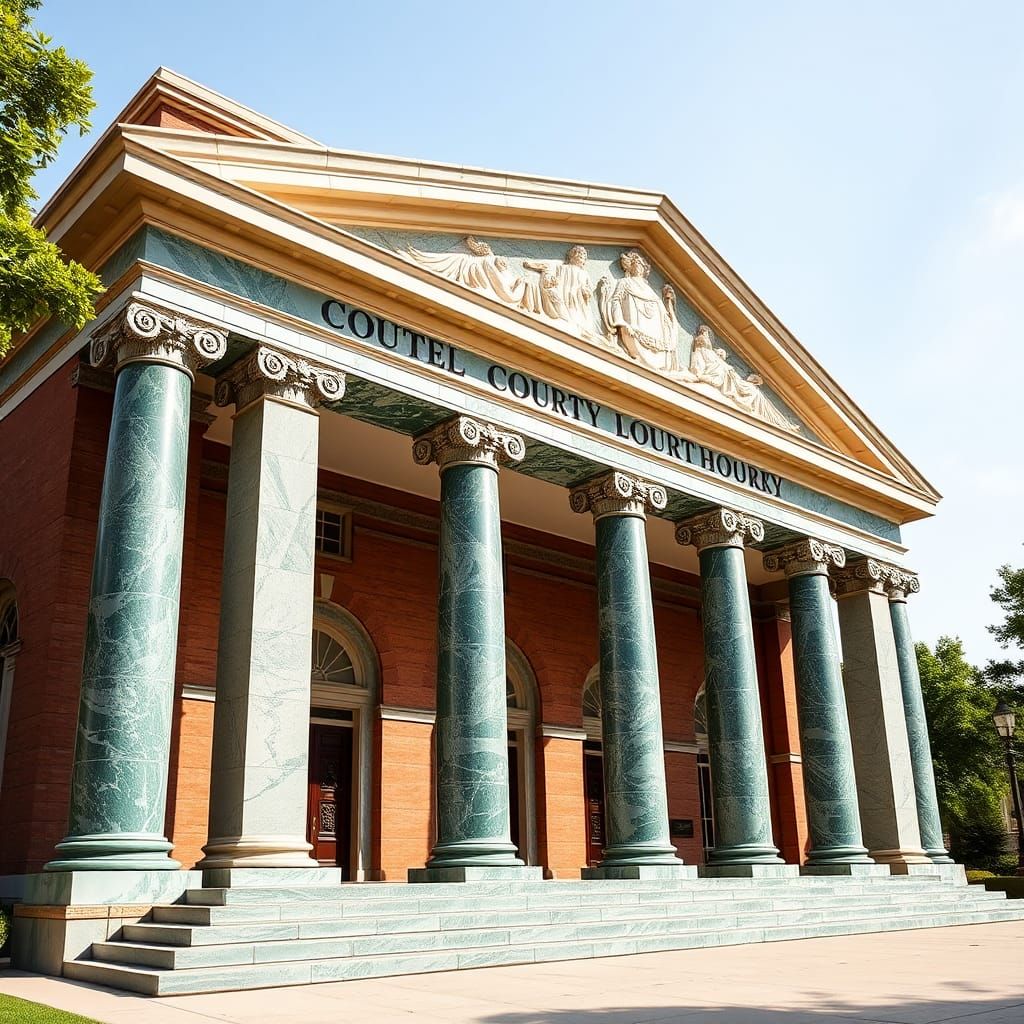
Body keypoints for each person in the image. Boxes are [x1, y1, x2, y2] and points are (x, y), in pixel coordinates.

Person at [689, 324, 798, 431]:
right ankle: (781, 424)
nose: (706, 337)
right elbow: (699, 366)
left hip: (734, 380)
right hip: (728, 380)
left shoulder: (712, 353)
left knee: (756, 393)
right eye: (704, 334)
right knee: (754, 392)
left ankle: (781, 424)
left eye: (707, 334)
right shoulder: (702, 348)